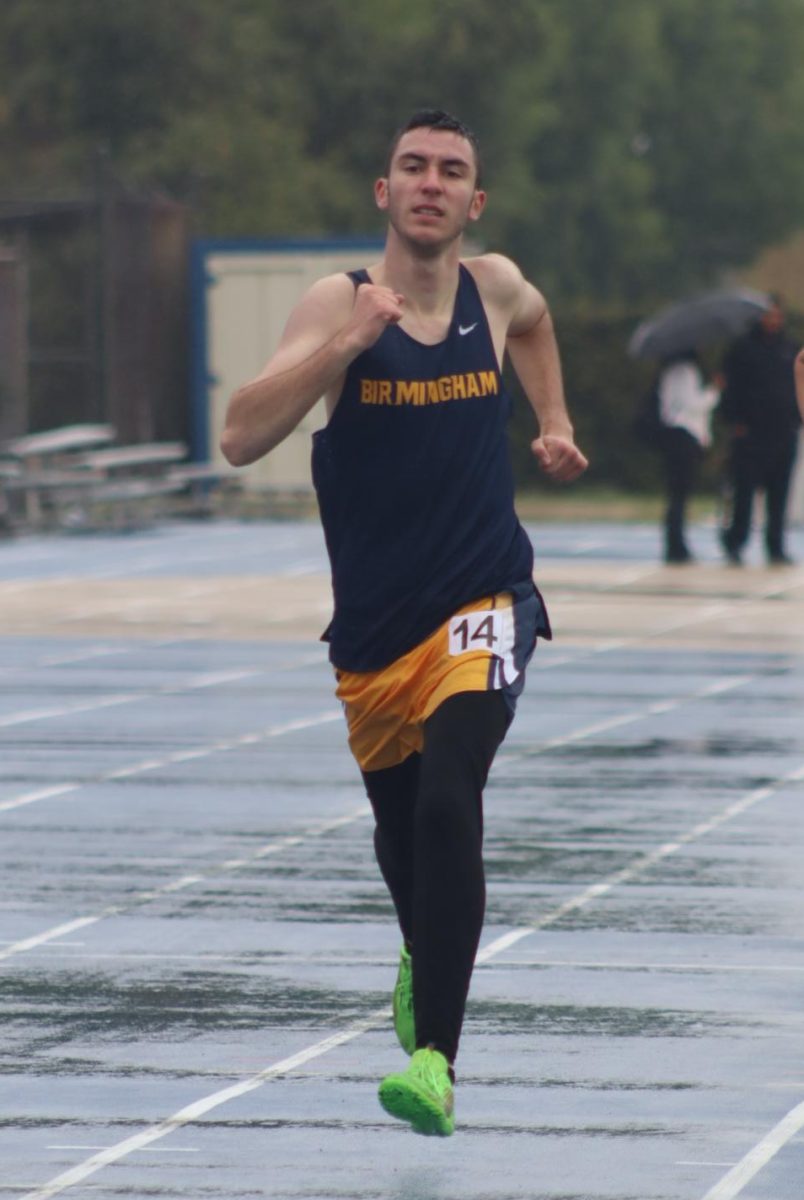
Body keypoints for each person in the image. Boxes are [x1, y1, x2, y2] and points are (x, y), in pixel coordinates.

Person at [220, 109, 588, 1137]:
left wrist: (555, 422)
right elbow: (241, 436)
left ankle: (436, 1061)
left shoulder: (495, 286)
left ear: (475, 203)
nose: (431, 183)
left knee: (446, 801)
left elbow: (538, 321)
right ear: (385, 194)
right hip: (376, 639)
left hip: (485, 601)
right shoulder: (337, 305)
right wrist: (348, 344)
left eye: (452, 171)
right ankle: (427, 951)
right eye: (412, 167)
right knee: (401, 843)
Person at [718, 298, 801, 566]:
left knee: (779, 495)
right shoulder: (742, 349)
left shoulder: (788, 348)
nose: (773, 321)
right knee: (744, 492)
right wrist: (736, 421)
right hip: (751, 434)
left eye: (777, 315)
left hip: (782, 432)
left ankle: (775, 545)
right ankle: (736, 542)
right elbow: (729, 390)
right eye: (768, 315)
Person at [655, 352, 719, 563]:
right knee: (679, 494)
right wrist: (714, 391)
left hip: (672, 436)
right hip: (683, 437)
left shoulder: (669, 371)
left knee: (676, 494)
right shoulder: (685, 371)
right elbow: (693, 405)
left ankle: (676, 543)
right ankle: (676, 546)